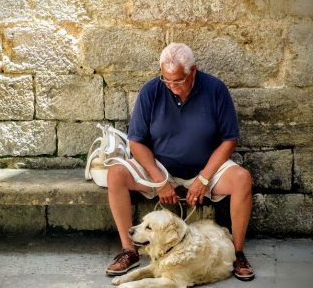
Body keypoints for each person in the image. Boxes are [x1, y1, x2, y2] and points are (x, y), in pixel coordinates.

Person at [105, 43, 255, 281]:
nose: (172, 86)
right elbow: (136, 142)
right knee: (115, 174)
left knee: (242, 179)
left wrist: (204, 178)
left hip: (206, 168)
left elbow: (229, 140)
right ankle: (129, 251)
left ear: (192, 71)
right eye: (167, 80)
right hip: (160, 168)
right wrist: (159, 179)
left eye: (178, 81)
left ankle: (238, 254)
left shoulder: (215, 89)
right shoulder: (152, 91)